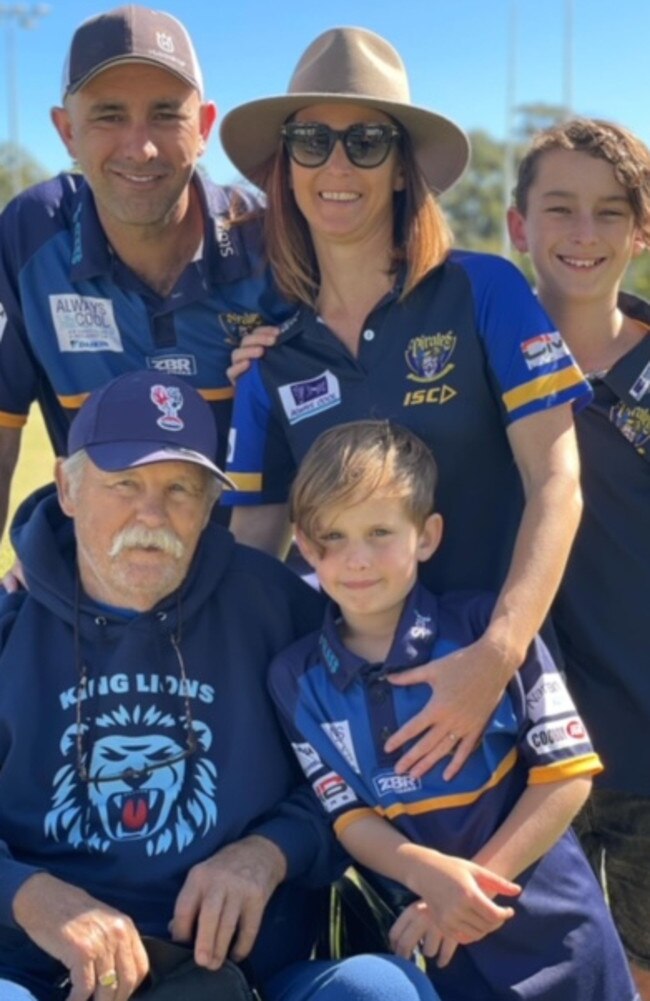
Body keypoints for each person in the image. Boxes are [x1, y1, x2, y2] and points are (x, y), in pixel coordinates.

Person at [218, 25, 590, 781]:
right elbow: (252, 548)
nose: (336, 163)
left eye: (366, 141)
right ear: (286, 165)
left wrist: (496, 654)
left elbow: (558, 481)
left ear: (400, 167)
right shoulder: (271, 362)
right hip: (358, 722)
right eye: (312, 139)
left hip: (506, 698)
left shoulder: (484, 290)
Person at [0, 371, 441, 1001]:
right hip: (40, 973)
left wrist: (269, 851)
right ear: (68, 487)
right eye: (124, 483)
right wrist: (26, 894)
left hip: (242, 975)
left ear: (211, 504)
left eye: (181, 488)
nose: (151, 513)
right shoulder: (11, 625)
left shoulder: (279, 609)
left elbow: (362, 772)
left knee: (382, 990)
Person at [268, 419, 637, 1000]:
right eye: (332, 537)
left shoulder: (486, 632)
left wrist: (466, 893)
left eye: (380, 531)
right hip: (440, 950)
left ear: (427, 536)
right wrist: (427, 878)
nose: (356, 559)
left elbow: (567, 779)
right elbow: (349, 817)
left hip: (560, 935)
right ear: (305, 546)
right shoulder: (296, 679)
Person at [0, 4, 291, 540]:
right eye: (109, 115)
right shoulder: (29, 236)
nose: (142, 148)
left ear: (203, 126)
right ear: (66, 131)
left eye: (165, 114)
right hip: (97, 578)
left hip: (248, 567)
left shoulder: (273, 241)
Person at [507, 117, 650, 1001]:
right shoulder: (476, 355)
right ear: (518, 225)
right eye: (559, 209)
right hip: (515, 751)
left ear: (644, 230)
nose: (584, 234)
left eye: (611, 212)